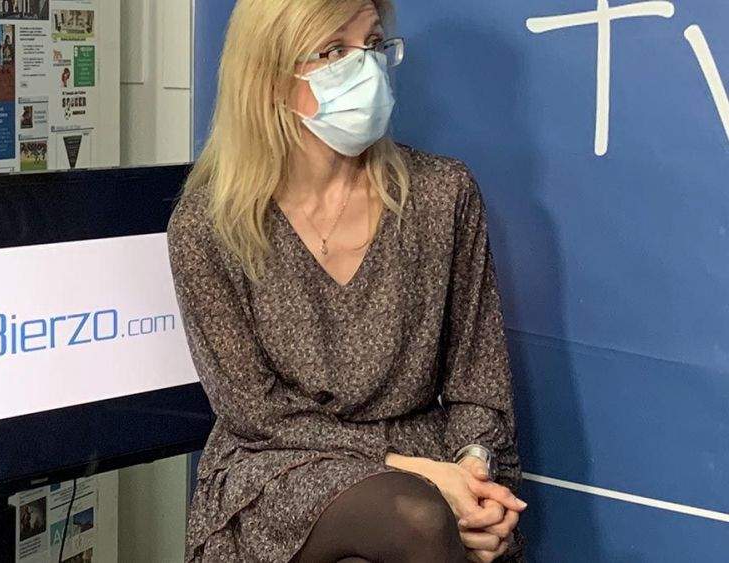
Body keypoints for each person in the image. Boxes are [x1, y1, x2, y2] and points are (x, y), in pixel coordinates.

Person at [166, 1, 527, 562]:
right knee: (418, 515)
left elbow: (479, 380)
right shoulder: (209, 226)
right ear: (269, 76)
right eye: (334, 51)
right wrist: (422, 474)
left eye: (373, 45)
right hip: (281, 464)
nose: (366, 67)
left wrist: (473, 474)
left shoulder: (443, 194)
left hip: (430, 468)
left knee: (426, 520)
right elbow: (258, 414)